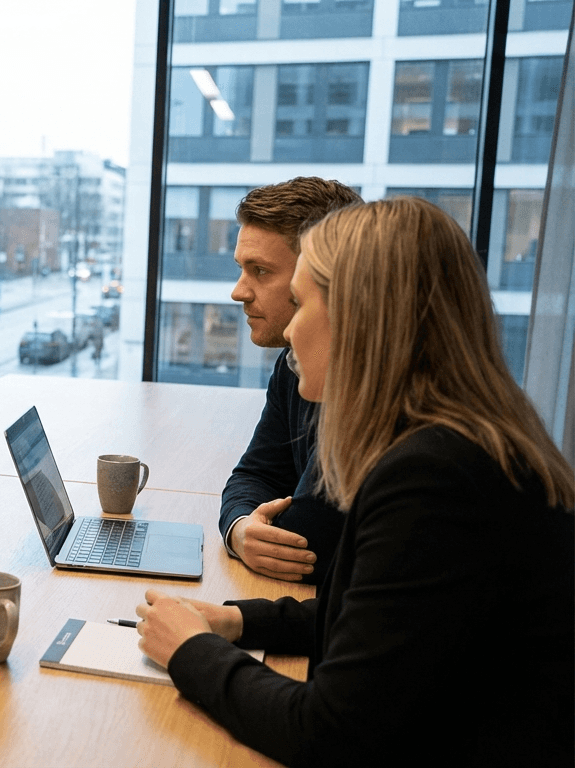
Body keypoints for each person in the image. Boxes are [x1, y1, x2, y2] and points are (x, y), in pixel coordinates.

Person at [135, 198, 574, 766]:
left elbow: (329, 735)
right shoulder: (451, 440)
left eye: (300, 303)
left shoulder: (433, 478)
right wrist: (240, 620)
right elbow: (381, 618)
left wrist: (190, 652)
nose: (291, 328)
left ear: (359, 320)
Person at [221, 177, 362, 583]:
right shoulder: (295, 363)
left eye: (260, 271)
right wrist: (241, 529)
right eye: (242, 269)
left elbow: (307, 541)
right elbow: (256, 475)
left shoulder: (367, 392)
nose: (238, 292)